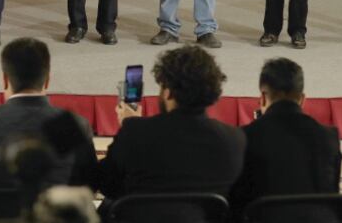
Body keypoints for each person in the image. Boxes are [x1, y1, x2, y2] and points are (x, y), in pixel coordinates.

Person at [95, 45, 245, 203]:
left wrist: (130, 123)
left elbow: (107, 184)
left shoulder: (135, 131)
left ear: (168, 92)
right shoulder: (234, 139)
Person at [0, 37, 96, 191]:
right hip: (55, 213)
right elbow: (88, 183)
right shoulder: (73, 124)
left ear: (5, 80)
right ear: (47, 80)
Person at [229, 58, 341, 217]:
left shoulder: (245, 137)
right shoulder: (329, 137)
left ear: (262, 97)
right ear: (302, 99)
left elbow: (237, 204)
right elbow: (331, 199)